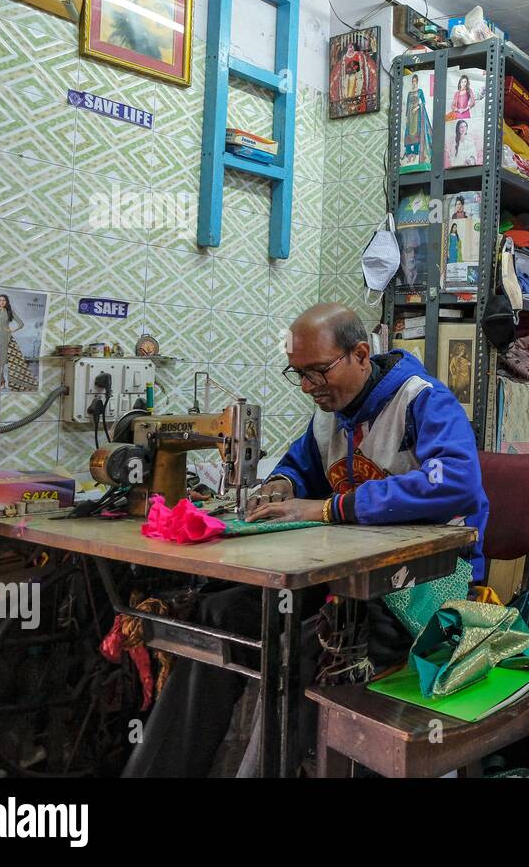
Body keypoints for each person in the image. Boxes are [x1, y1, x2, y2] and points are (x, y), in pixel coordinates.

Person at [123, 303, 488, 777]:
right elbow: (301, 465)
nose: (307, 387)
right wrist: (282, 484)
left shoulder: (423, 401)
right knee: (218, 617)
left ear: (360, 354)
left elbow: (455, 483)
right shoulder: (329, 416)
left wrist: (331, 508)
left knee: (304, 646)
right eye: (297, 374)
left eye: (317, 372)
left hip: (424, 583)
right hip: (352, 576)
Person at [0, 293, 37, 391]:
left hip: (5, 339)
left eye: (3, 300)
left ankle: (1, 382)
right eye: (0, 300)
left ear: (6, 302)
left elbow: (21, 324)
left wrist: (12, 330)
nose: (1, 302)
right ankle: (1, 381)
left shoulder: (10, 312)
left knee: (0, 363)